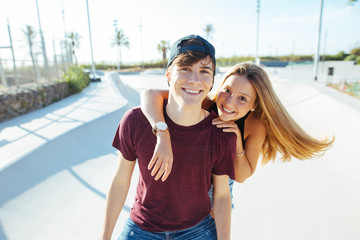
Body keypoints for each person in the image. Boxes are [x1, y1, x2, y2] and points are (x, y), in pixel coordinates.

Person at [100, 35, 236, 240]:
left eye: (204, 72)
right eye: (185, 69)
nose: (194, 80)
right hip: (141, 229)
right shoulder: (136, 121)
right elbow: (120, 180)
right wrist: (105, 236)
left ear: (212, 81)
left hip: (197, 230)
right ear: (168, 76)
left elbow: (223, 195)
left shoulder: (220, 132)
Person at [140, 62, 334, 197]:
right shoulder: (205, 102)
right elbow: (149, 94)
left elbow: (242, 176)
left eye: (243, 98)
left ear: (254, 105)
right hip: (184, 189)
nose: (230, 102)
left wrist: (237, 142)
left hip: (218, 196)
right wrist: (162, 133)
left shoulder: (254, 125)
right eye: (227, 90)